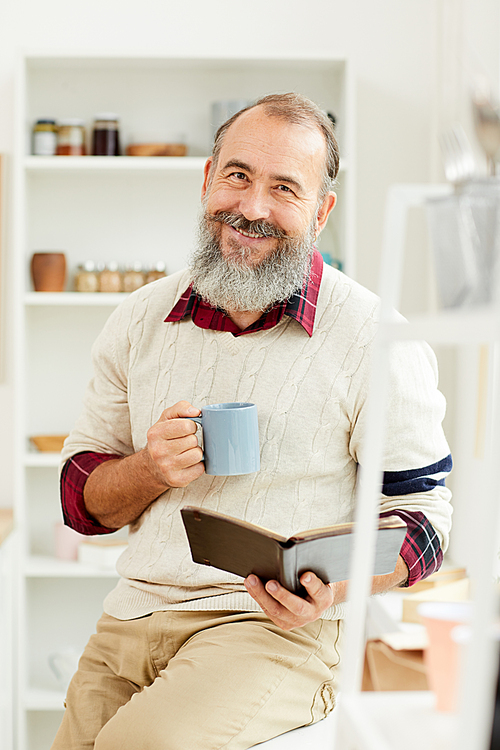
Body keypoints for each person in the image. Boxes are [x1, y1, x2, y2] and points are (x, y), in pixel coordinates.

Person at [52, 93, 452, 750]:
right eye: (237, 176)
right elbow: (80, 502)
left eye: (284, 188)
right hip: (129, 619)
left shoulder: (377, 338)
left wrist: (336, 585)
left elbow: (424, 522)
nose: (252, 208)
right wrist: (150, 469)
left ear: (320, 213)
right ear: (206, 179)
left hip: (272, 633)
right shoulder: (137, 318)